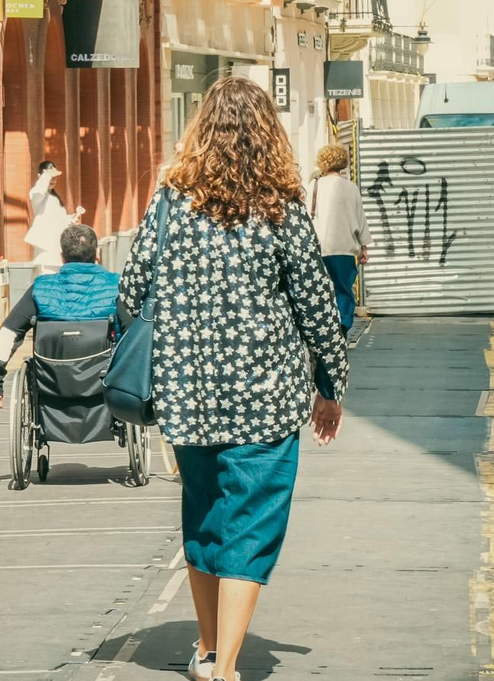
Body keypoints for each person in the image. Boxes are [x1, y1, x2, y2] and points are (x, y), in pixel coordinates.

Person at [118, 77, 349, 681]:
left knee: (204, 514)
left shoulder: (170, 201)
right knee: (252, 522)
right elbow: (317, 306)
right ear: (268, 133)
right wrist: (330, 389)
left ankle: (208, 648)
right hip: (264, 399)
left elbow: (129, 289)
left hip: (187, 395)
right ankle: (226, 669)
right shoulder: (281, 206)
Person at [0, 223, 119, 410]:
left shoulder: (40, 288)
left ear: (62, 257)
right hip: (103, 382)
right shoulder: (115, 286)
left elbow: (9, 332)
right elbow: (134, 334)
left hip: (51, 382)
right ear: (97, 255)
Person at [308, 144, 371, 331]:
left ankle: (323, 329)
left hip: (318, 248)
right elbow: (360, 218)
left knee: (320, 291)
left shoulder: (313, 186)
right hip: (344, 249)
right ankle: (342, 325)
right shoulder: (350, 188)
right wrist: (364, 248)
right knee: (343, 291)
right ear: (343, 163)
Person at [26, 160, 84, 272]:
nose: (52, 180)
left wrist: (74, 217)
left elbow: (59, 220)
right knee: (46, 276)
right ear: (40, 176)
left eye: (54, 177)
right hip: (45, 246)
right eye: (49, 177)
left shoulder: (54, 198)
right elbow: (39, 191)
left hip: (57, 245)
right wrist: (46, 176)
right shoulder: (36, 194)